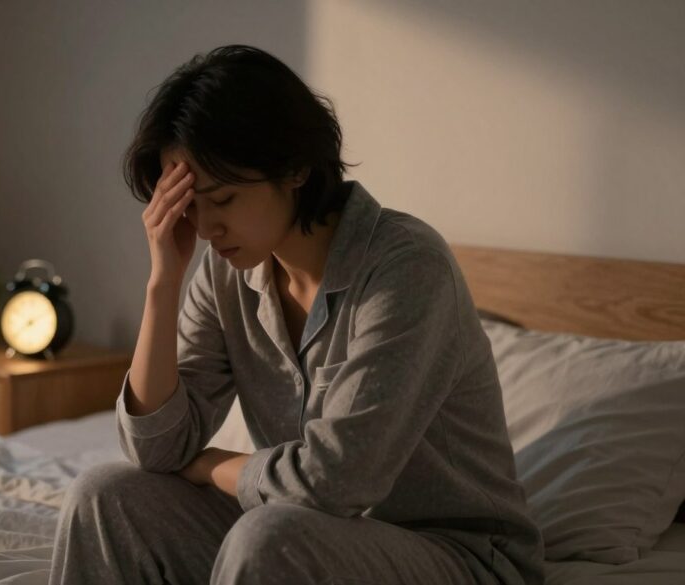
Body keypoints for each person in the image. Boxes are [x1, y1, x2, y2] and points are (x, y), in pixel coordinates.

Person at [48, 44, 544, 585]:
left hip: (457, 554)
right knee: (103, 497)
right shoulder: (225, 271)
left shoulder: (408, 268)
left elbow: (335, 480)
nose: (205, 227)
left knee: (269, 538)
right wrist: (163, 282)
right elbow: (156, 448)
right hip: (304, 531)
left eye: (224, 198)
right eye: (189, 202)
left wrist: (208, 463)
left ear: (295, 169)